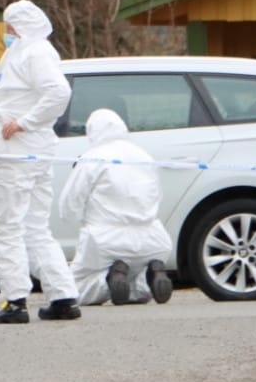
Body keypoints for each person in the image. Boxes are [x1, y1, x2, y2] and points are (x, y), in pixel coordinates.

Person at [0, 0, 80, 324]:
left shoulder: (33, 52)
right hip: (30, 152)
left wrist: (24, 122)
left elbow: (58, 92)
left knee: (3, 226)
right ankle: (62, 297)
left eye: (10, 26)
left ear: (21, 26)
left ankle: (14, 300)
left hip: (15, 153)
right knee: (34, 227)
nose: (7, 32)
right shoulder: (25, 52)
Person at [59, 108, 176, 305]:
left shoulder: (92, 157)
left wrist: (78, 222)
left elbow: (70, 201)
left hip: (105, 239)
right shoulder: (144, 156)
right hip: (153, 239)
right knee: (137, 292)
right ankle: (151, 275)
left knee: (72, 290)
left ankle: (108, 279)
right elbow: (157, 197)